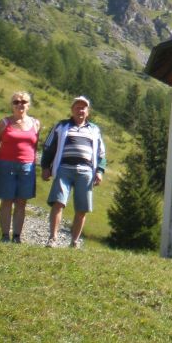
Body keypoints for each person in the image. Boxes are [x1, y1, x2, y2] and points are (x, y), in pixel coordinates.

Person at [41, 95, 105, 248]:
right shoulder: (61, 126)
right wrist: (45, 167)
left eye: (83, 107)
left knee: (82, 208)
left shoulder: (94, 129)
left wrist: (100, 171)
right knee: (58, 202)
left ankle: (74, 242)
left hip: (86, 171)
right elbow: (49, 147)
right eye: (77, 107)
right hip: (64, 169)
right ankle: (53, 238)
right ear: (72, 110)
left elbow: (101, 153)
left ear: (87, 111)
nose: (80, 110)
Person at [0, 91, 40, 243]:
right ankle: (5, 235)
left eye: (23, 101)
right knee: (7, 200)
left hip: (27, 166)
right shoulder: (4, 123)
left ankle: (17, 236)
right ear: (11, 105)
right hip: (6, 165)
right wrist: (0, 159)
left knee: (21, 202)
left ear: (28, 105)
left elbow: (35, 145)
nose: (20, 104)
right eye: (16, 102)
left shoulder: (35, 124)